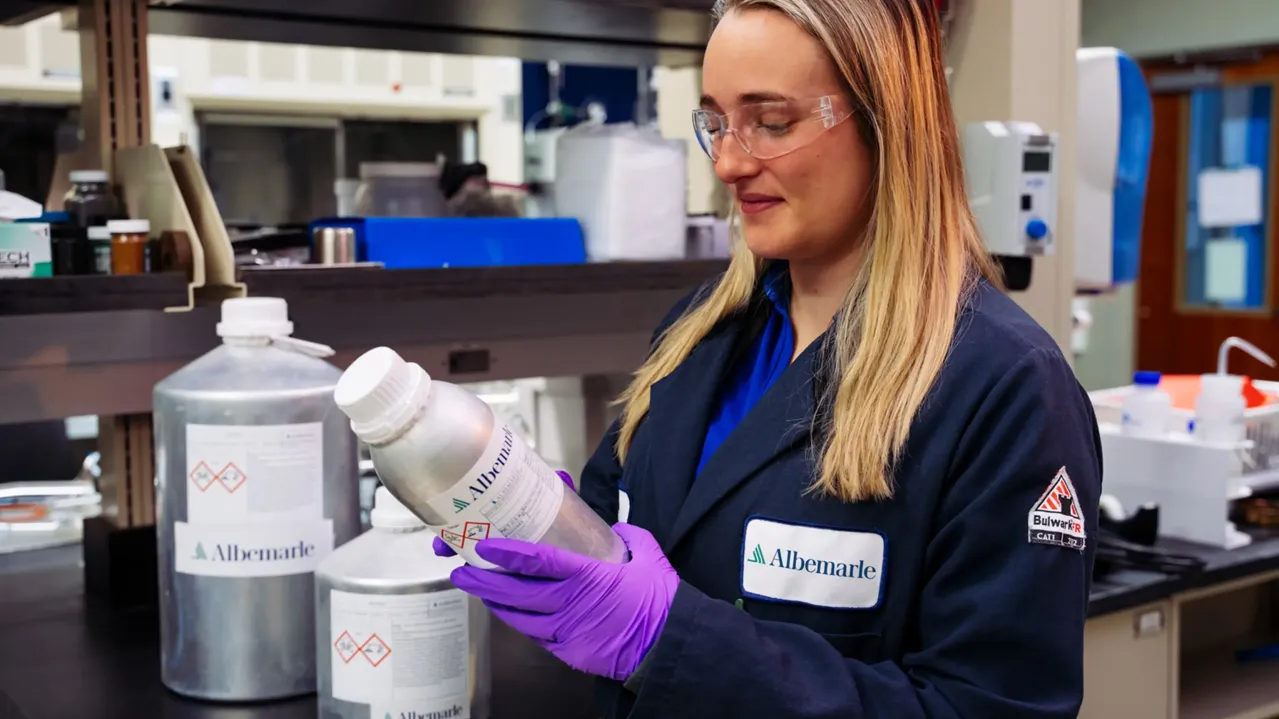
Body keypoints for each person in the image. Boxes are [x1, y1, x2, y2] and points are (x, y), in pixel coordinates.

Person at [436, 0, 1102, 717]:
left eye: (771, 123)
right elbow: (610, 533)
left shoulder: (1004, 389)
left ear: (885, 122)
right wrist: (540, 522)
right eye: (715, 122)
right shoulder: (695, 337)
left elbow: (989, 708)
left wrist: (668, 639)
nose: (726, 161)